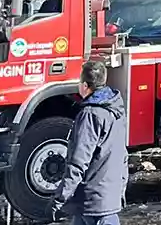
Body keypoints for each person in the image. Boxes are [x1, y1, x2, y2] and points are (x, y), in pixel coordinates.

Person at [51, 61, 128, 225]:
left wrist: (59, 199)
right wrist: (119, 192)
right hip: (107, 201)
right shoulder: (117, 110)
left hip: (92, 205)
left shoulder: (90, 114)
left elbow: (78, 162)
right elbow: (123, 156)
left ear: (85, 86)